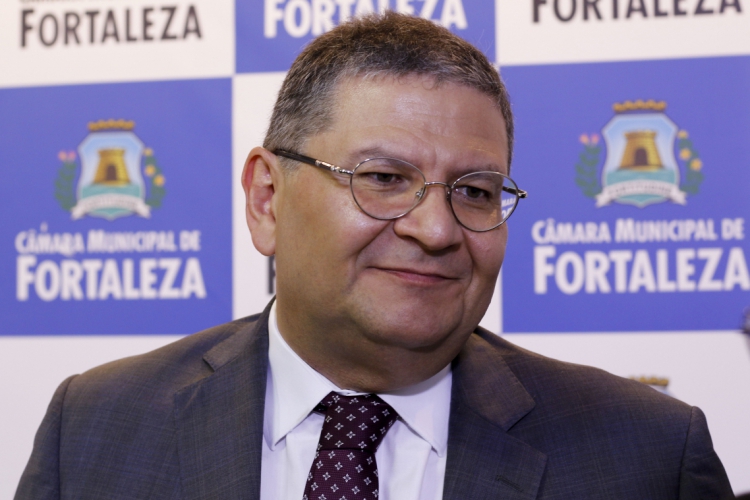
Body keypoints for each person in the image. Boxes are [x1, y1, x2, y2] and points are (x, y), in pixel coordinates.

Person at [16, 12, 733, 500]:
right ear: (267, 199)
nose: (436, 228)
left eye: (476, 191)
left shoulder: (647, 456)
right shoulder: (96, 429)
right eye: (385, 179)